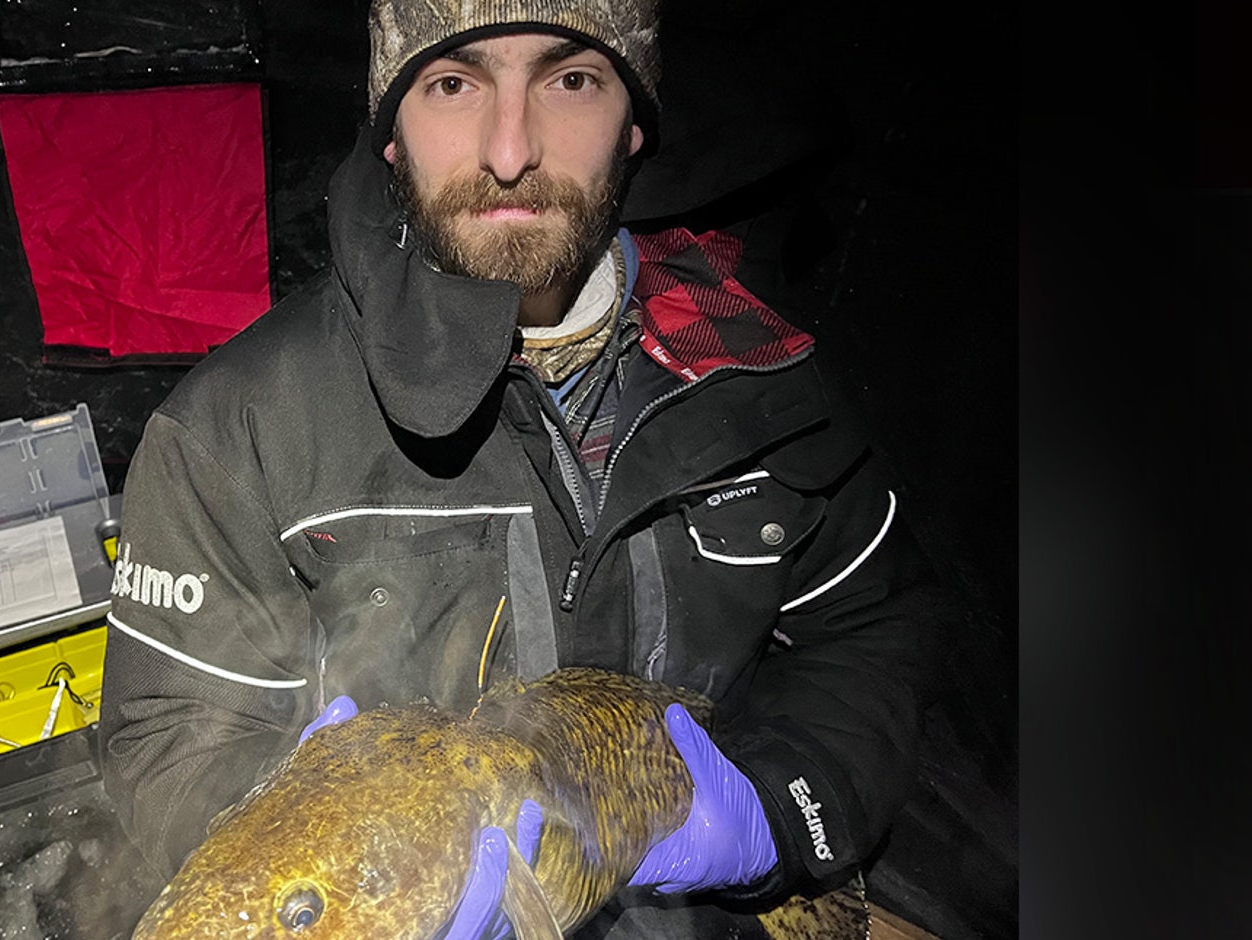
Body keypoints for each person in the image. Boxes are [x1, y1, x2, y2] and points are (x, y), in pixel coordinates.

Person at [97, 1, 948, 935]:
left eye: (571, 79)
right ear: (391, 133)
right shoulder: (234, 429)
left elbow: (873, 632)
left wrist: (780, 811)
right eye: (452, 84)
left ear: (633, 124)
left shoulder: (765, 372)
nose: (511, 151)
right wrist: (314, 847)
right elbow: (169, 739)